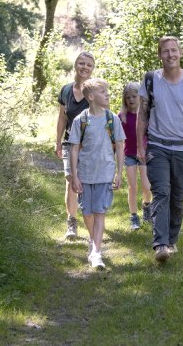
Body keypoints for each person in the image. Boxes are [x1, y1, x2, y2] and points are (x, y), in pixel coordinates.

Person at [136, 36, 183, 262]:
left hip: (182, 149)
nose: (170, 55)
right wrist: (140, 146)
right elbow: (142, 116)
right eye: (165, 51)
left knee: (177, 198)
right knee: (161, 193)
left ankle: (172, 240)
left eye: (173, 50)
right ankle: (160, 245)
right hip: (157, 146)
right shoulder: (150, 80)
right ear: (159, 55)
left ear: (180, 52)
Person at [68, 78, 125, 269]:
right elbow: (74, 149)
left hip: (105, 173)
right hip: (85, 174)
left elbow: (120, 145)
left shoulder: (112, 119)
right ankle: (93, 240)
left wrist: (119, 172)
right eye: (103, 92)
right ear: (91, 97)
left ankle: (96, 252)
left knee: (100, 212)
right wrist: (75, 176)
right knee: (87, 212)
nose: (107, 95)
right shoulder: (80, 121)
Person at [55, 51, 95, 240]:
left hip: (89, 146)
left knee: (86, 182)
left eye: (88, 64)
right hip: (70, 143)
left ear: (92, 69)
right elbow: (62, 117)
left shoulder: (96, 91)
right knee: (71, 180)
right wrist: (57, 142)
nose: (84, 67)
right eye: (81, 63)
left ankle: (91, 217)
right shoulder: (65, 91)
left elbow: (105, 119)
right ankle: (72, 222)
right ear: (75, 66)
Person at [119, 82, 152, 230]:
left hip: (144, 154)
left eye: (134, 96)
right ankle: (133, 216)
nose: (131, 100)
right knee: (132, 187)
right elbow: (118, 139)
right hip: (129, 155)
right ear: (124, 100)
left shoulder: (146, 115)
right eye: (128, 97)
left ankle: (146, 207)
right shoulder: (122, 116)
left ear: (140, 97)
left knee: (146, 186)